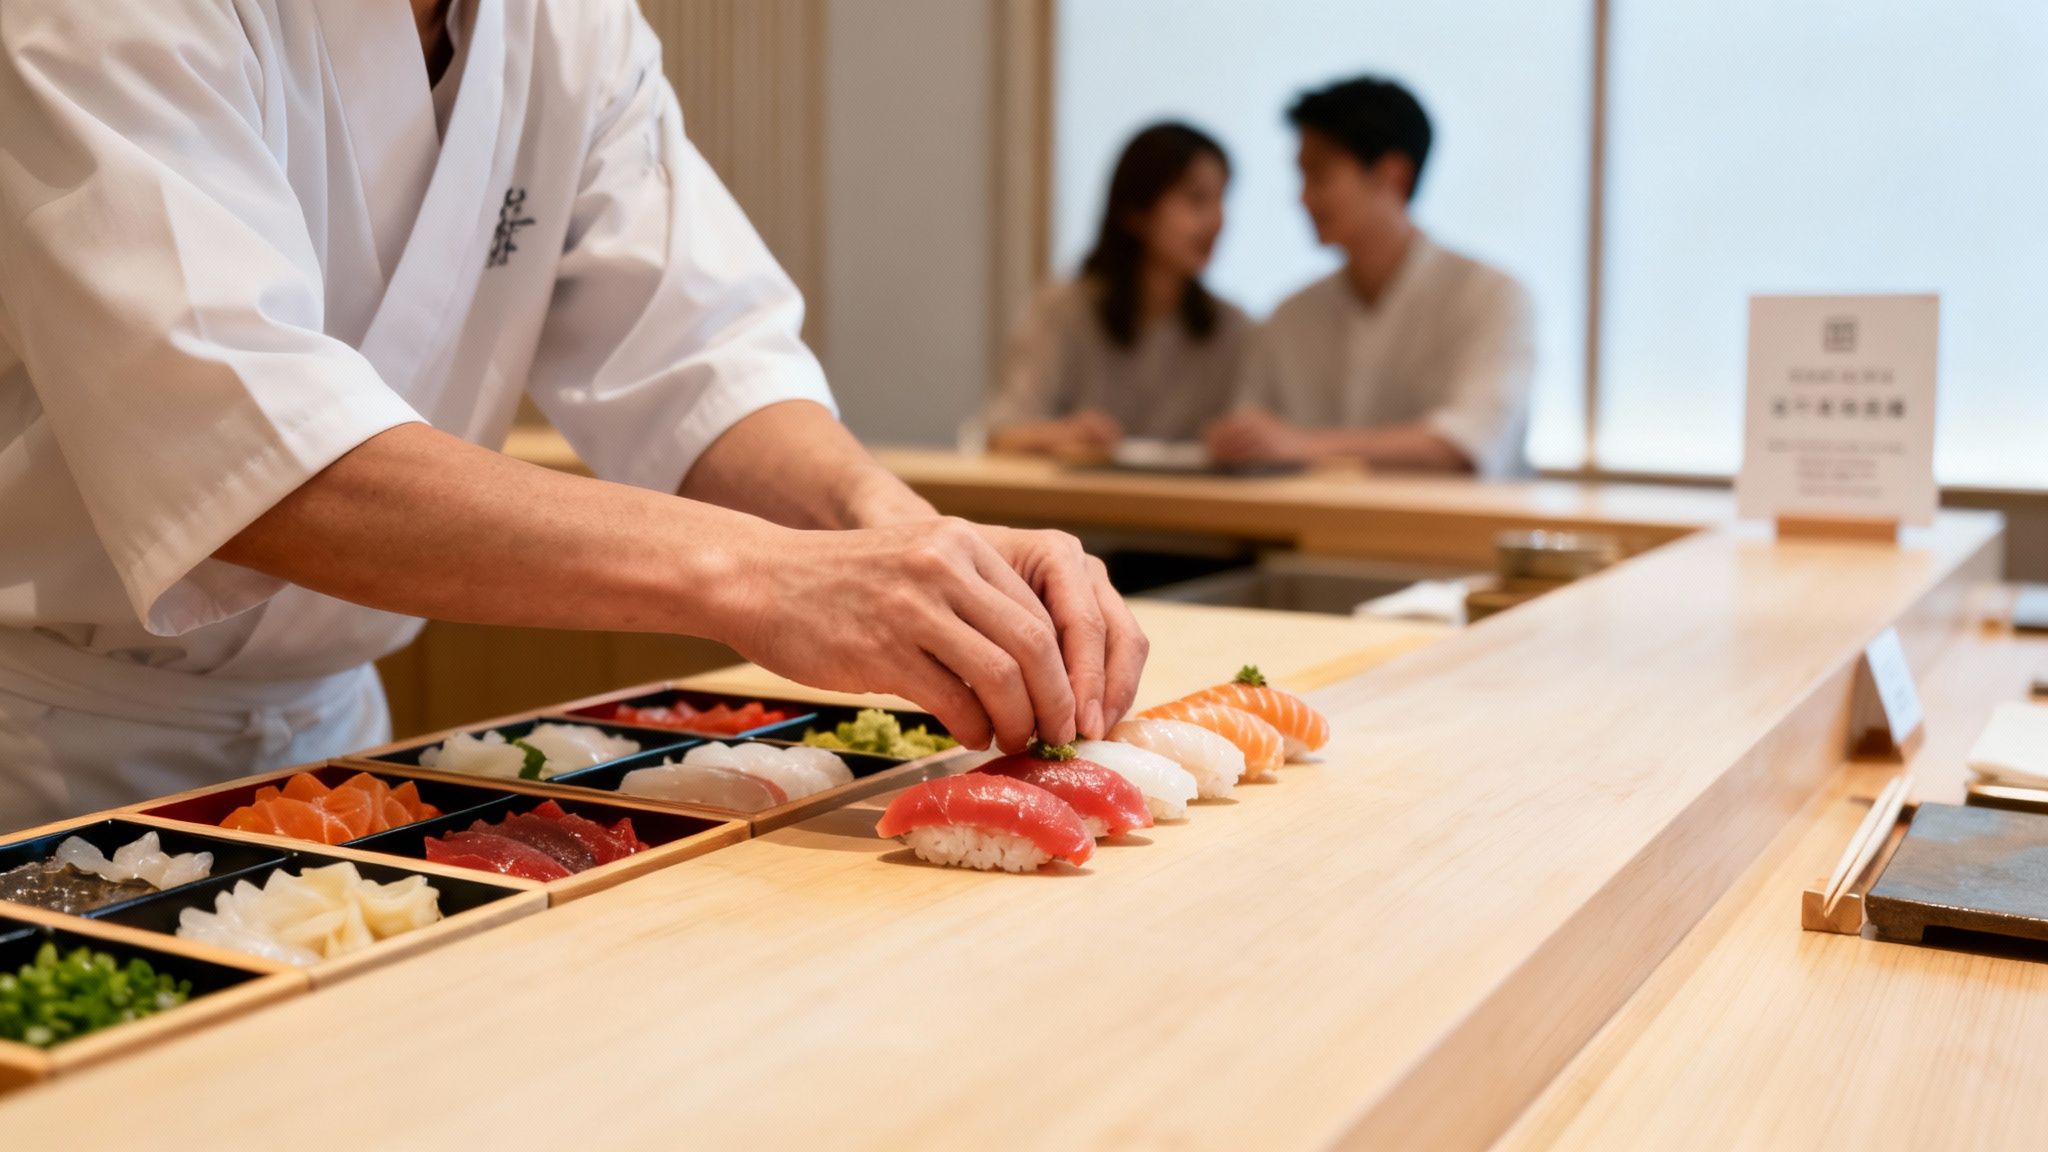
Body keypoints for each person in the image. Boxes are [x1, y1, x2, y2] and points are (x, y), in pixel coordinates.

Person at [0, 0, 1146, 830]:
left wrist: (904, 542)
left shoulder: (569, 27)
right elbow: (251, 457)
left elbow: (702, 360)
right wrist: (764, 579)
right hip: (52, 743)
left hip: (332, 747)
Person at [1205, 76, 1535, 477]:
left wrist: (1303, 445)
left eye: (1319, 175)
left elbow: (1470, 441)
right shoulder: (1291, 316)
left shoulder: (1489, 296)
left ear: (1392, 175)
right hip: (1305, 535)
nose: (1303, 198)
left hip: (1455, 536)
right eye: (1301, 176)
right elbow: (1251, 432)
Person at [987, 122, 1248, 457]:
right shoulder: (1063, 309)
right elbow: (1000, 430)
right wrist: (1063, 434)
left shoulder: (1231, 327)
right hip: (1075, 505)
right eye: (1197, 199)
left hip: (1191, 508)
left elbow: (1251, 433)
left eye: (1221, 199)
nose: (1217, 221)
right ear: (1136, 210)